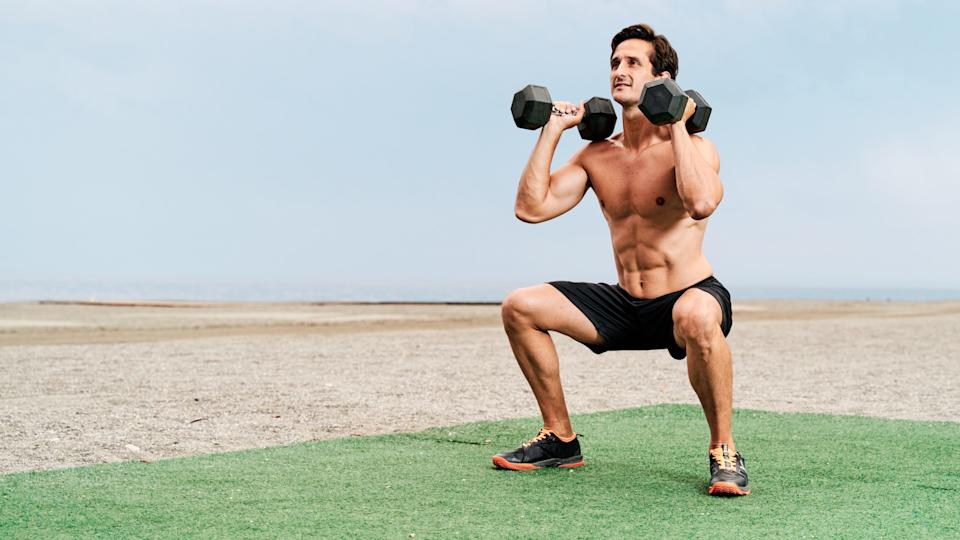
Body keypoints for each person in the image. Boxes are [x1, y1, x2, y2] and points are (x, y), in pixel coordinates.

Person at [492, 23, 749, 496]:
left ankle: (724, 450)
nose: (619, 71)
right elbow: (531, 208)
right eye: (615, 63)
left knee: (696, 313)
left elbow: (701, 203)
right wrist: (553, 131)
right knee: (520, 306)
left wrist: (675, 123)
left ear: (662, 79)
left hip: (685, 299)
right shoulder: (598, 156)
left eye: (633, 63)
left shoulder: (693, 149)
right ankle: (560, 438)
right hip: (625, 304)